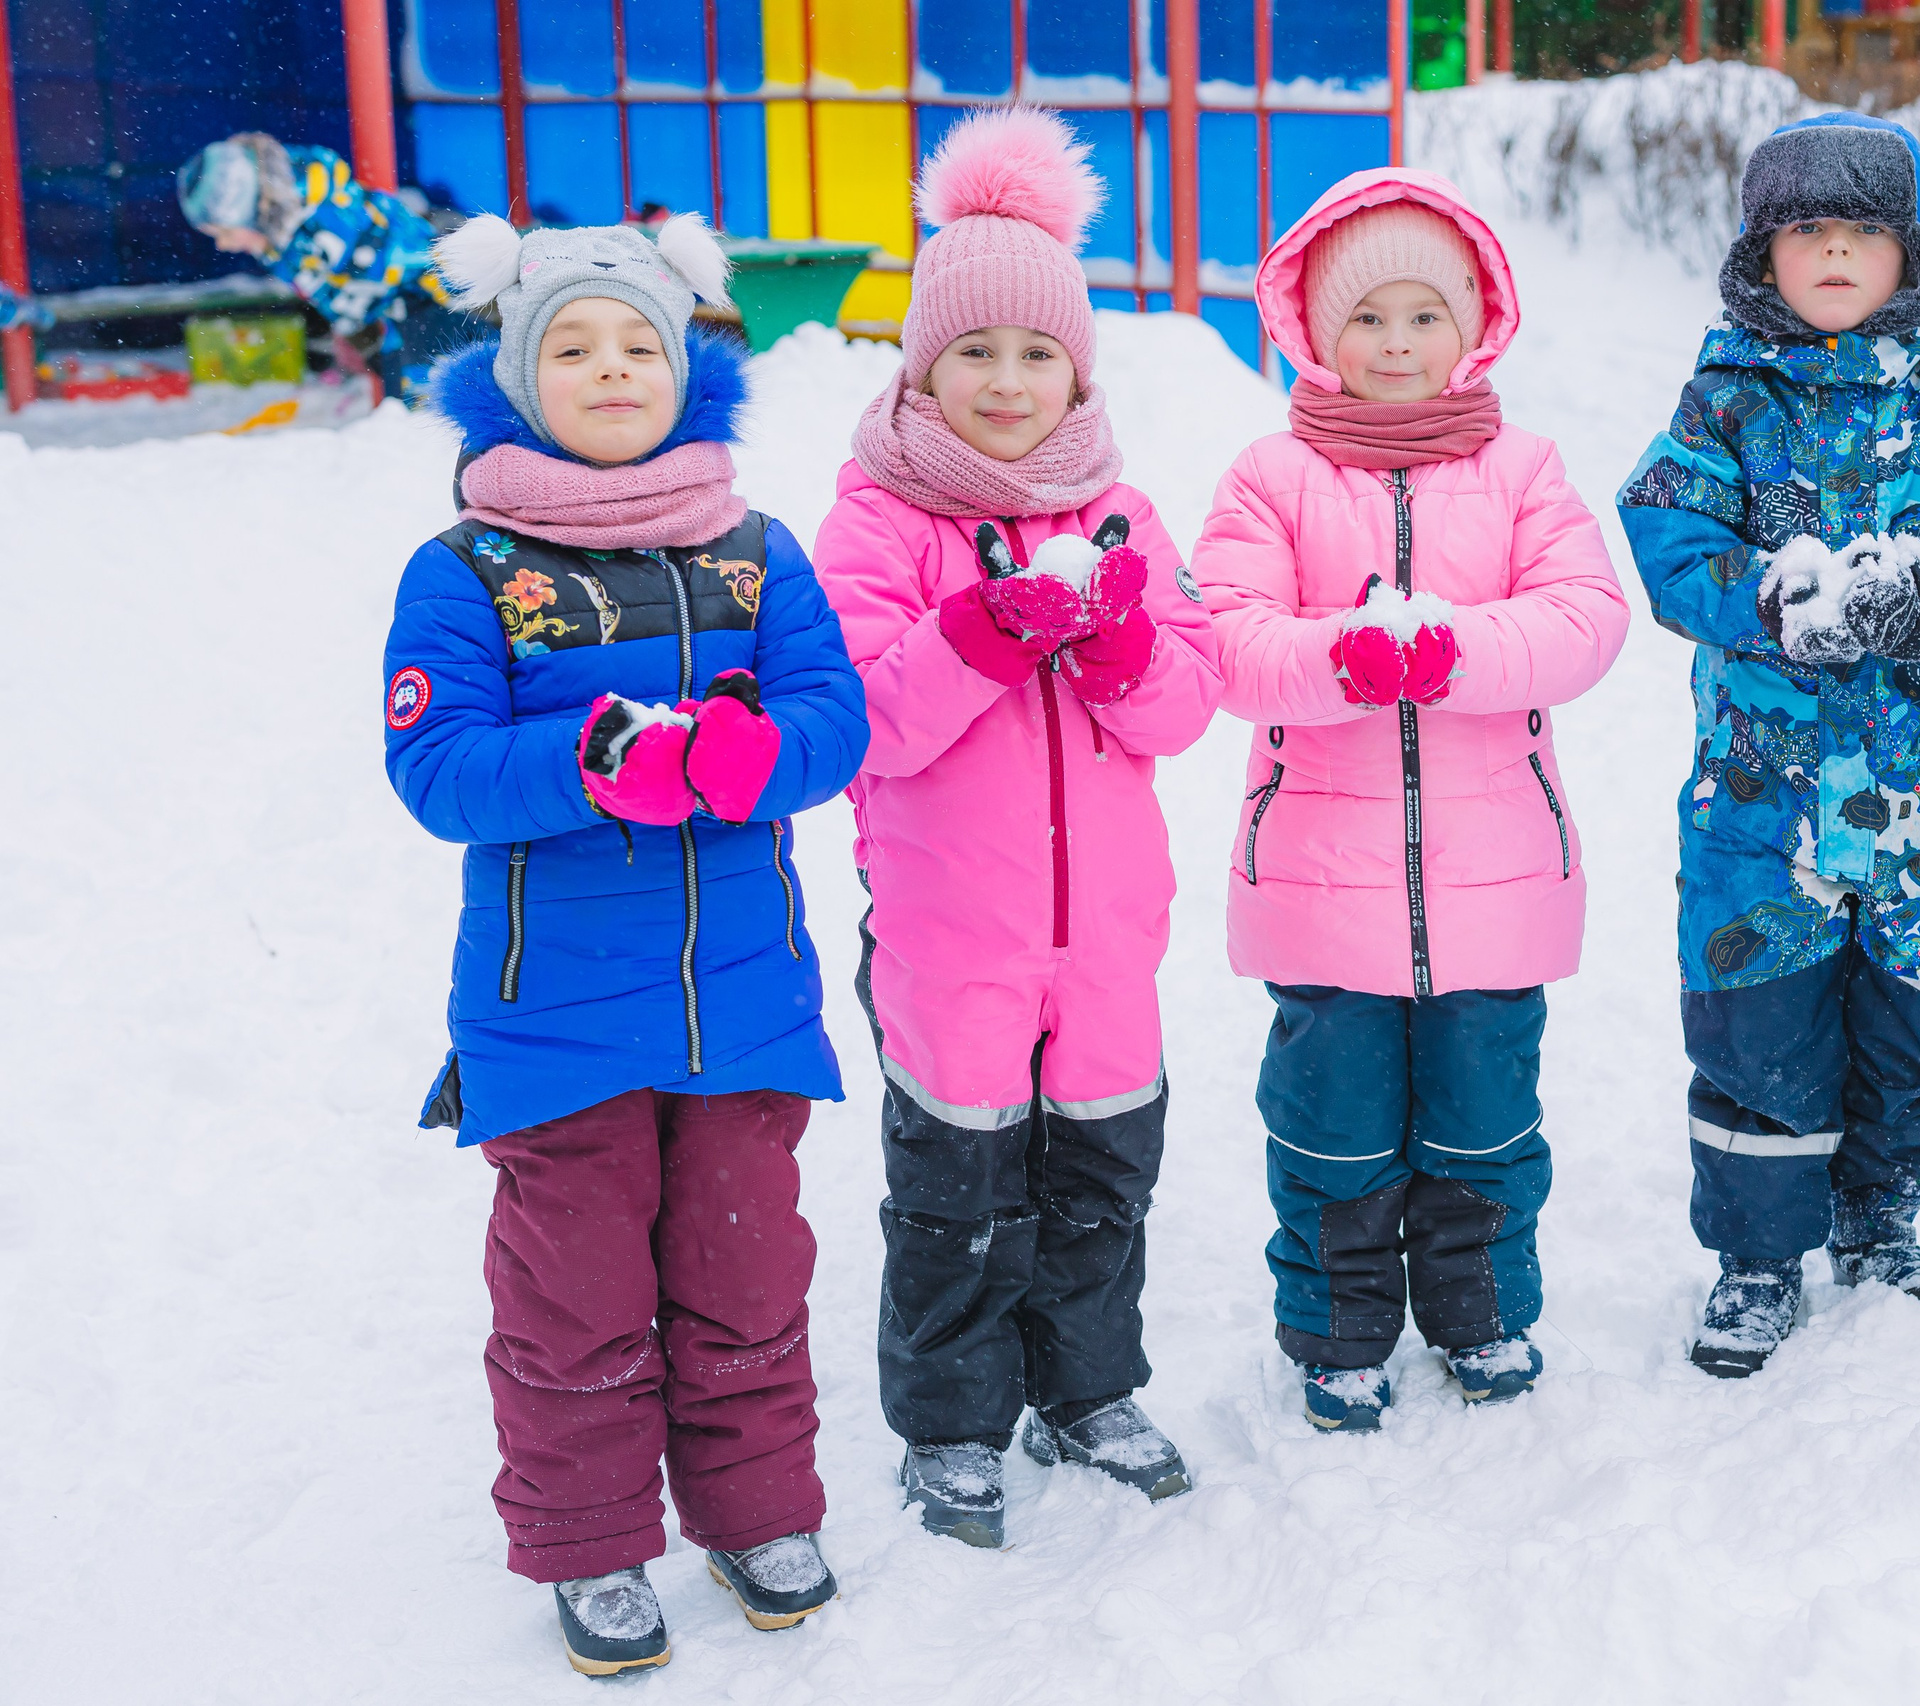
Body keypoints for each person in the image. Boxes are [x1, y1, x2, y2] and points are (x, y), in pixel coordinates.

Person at [382, 211, 870, 1675]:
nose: (611, 369)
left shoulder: (757, 549)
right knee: (575, 1300)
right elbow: (438, 766)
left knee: (746, 1277)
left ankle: (758, 1510)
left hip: (741, 1008)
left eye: (639, 345)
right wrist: (591, 763)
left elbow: (834, 718)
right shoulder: (464, 568)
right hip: (553, 1018)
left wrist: (745, 757)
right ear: (519, 381)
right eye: (573, 348)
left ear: (689, 371)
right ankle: (593, 1541)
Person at [809, 108, 1220, 1547]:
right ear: (922, 362)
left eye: (1036, 353)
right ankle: (953, 1422)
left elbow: (1185, 701)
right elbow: (864, 719)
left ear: (1077, 368)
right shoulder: (878, 521)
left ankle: (1088, 1387)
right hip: (951, 935)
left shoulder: (1123, 514)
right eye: (973, 352)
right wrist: (982, 629)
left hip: (1104, 941)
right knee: (957, 1192)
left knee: (1104, 1174)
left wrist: (1113, 649)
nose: (1005, 381)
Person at [1192, 170, 1627, 1431]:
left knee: (1487, 1119)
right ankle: (1338, 1331)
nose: (1393, 343)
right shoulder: (1271, 476)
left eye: (1420, 316)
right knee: (1330, 1130)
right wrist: (1340, 659)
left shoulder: (1525, 468)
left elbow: (1583, 619)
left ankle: (1483, 1312)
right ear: (1316, 333)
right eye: (1366, 318)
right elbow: (1224, 637)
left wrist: (1454, 652)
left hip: (1494, 881)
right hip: (1324, 881)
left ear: (1473, 326)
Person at [1617, 114, 1920, 1378]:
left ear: (1909, 254)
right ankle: (1756, 1257)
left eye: (1863, 232)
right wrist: (1766, 597)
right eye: (1808, 233)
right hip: (1764, 799)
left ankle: (1884, 1218)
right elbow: (1667, 539)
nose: (1837, 254)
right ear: (1764, 256)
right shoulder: (1727, 397)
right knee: (1761, 1022)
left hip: (1919, 796)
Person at [177, 132, 466, 400]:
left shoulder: (326, 218)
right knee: (411, 409)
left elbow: (401, 258)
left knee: (447, 403)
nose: (223, 245)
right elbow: (332, 296)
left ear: (252, 211)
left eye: (224, 233)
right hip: (394, 325)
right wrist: (364, 340)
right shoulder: (278, 245)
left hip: (432, 299)